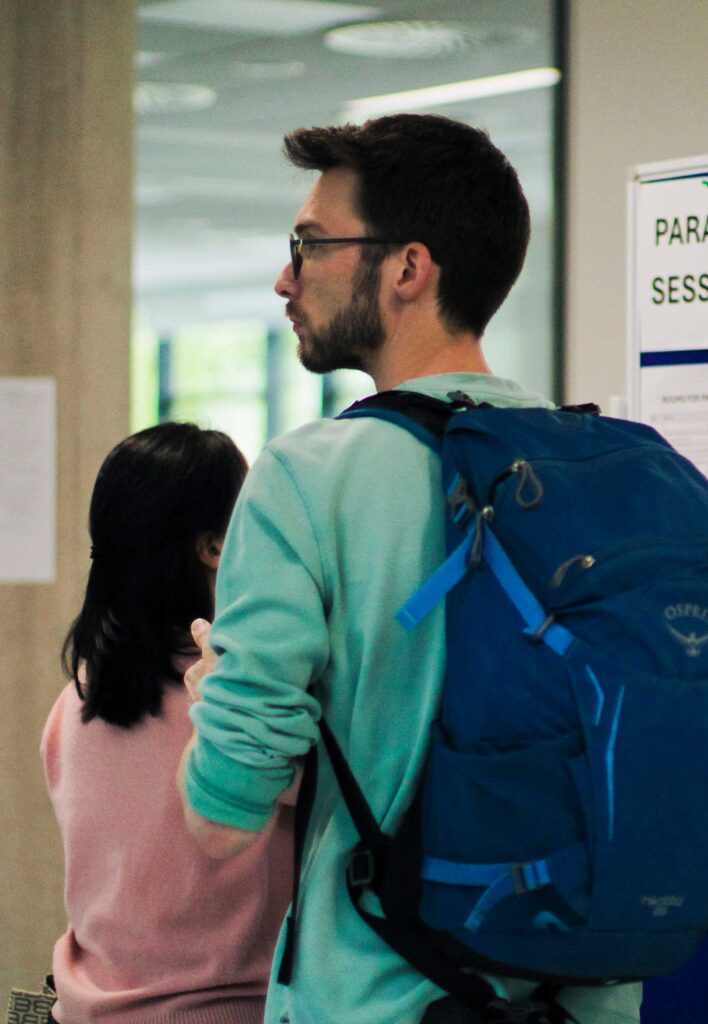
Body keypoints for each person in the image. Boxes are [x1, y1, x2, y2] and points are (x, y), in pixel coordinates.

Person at [178, 114, 642, 1024]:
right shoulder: (606, 473)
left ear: (407, 268)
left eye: (309, 244)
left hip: (378, 997)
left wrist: (212, 696)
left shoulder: (307, 477)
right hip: (579, 997)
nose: (285, 277)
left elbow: (222, 823)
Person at [43, 423, 294, 1024]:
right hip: (227, 1012)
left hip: (83, 1008)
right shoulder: (246, 705)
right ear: (214, 546)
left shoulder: (74, 703)